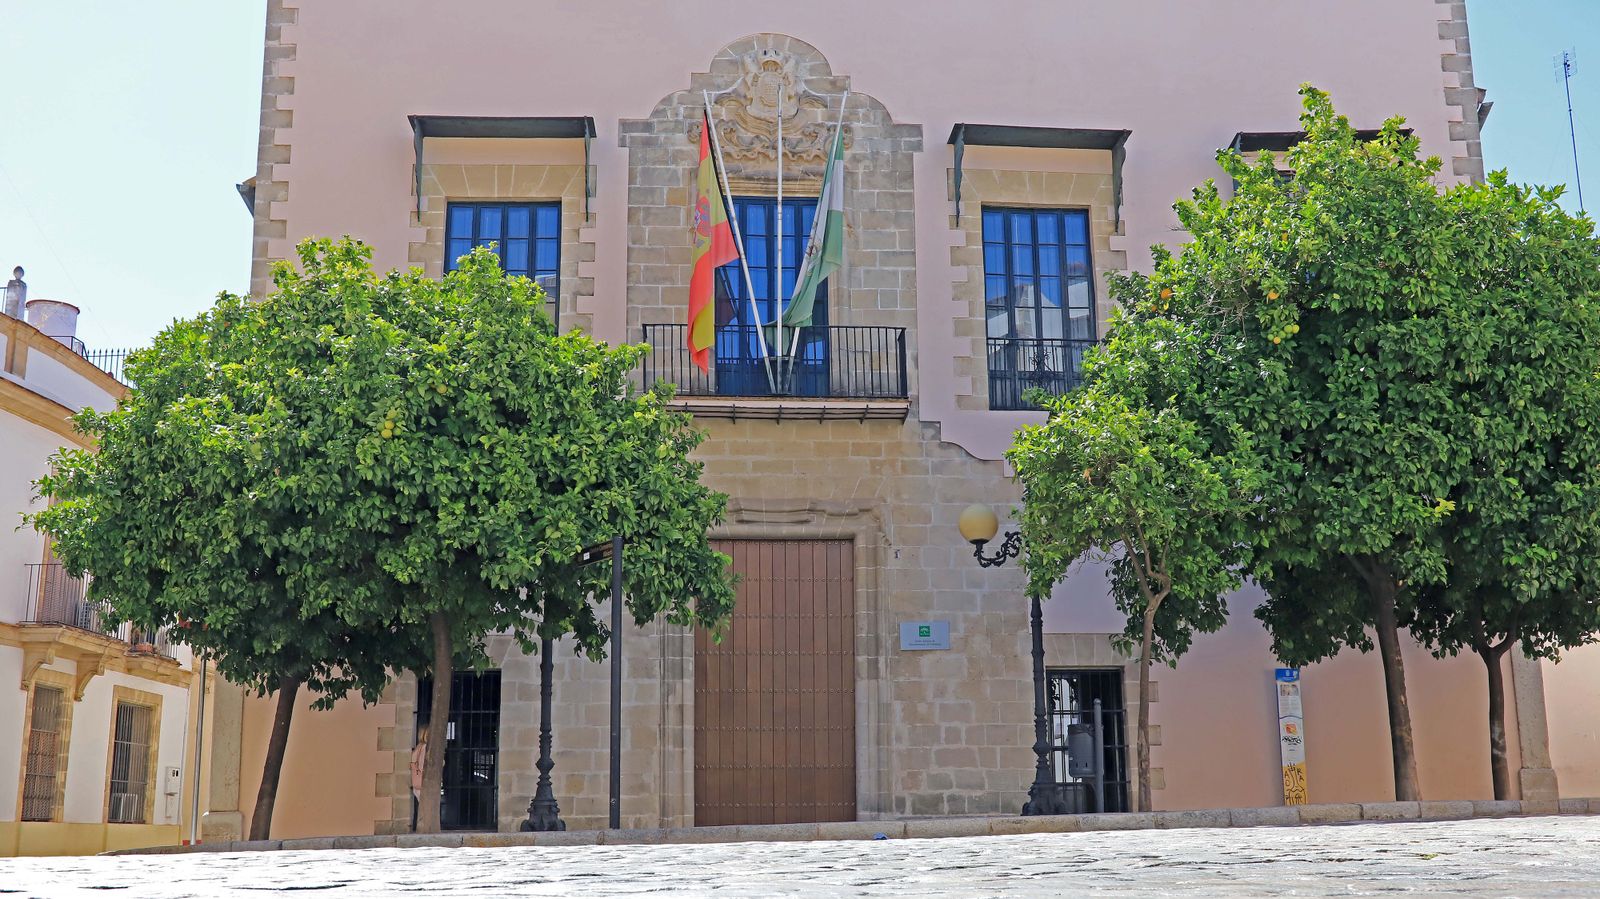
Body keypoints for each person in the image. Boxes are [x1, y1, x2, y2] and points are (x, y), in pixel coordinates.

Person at [411, 724, 428, 802]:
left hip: (417, 784)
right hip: (422, 785)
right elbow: (421, 766)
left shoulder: (418, 747)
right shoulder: (424, 747)